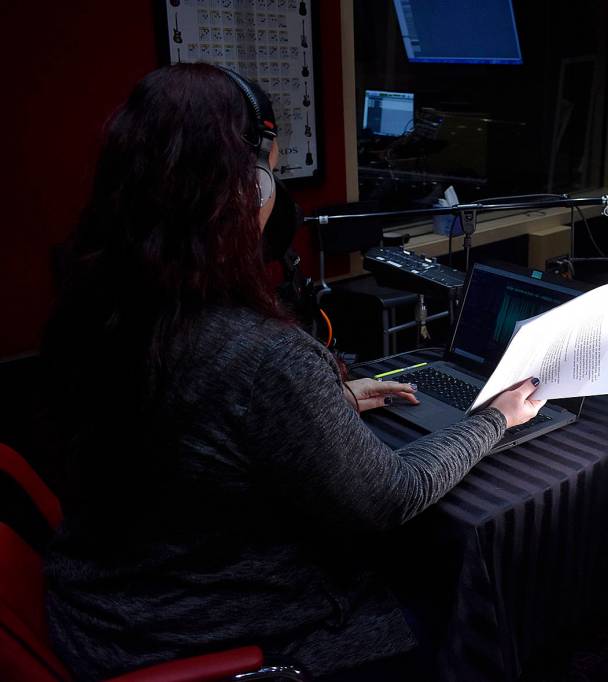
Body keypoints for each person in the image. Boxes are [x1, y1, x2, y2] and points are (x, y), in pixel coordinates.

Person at [39, 63, 544, 680]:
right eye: (271, 174)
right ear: (241, 193)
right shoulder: (265, 359)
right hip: (195, 638)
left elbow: (190, 428)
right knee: (455, 596)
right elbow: (391, 497)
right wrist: (495, 417)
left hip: (95, 612)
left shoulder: (92, 306)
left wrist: (328, 399)